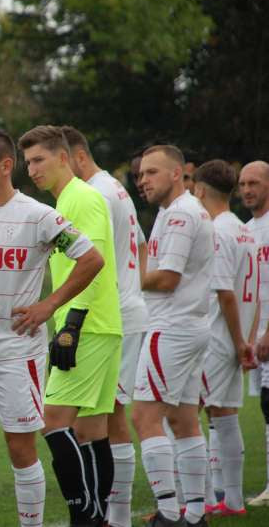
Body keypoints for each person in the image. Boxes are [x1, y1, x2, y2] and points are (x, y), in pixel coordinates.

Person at [0, 130, 103, 527]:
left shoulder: (39, 215)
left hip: (16, 353)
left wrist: (49, 304)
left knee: (20, 447)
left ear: (5, 166)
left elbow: (91, 259)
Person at [17, 125, 122, 527]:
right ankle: (98, 518)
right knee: (92, 430)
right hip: (101, 325)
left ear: (64, 157)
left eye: (39, 160)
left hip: (88, 326)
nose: (32, 170)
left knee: (53, 421)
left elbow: (91, 262)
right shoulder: (69, 199)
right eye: (28, 163)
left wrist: (69, 324)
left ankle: (85, 516)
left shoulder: (81, 198)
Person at [65, 126, 148, 527]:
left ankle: (114, 516)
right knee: (107, 415)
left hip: (109, 316)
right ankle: (114, 516)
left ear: (76, 155)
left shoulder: (92, 193)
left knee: (104, 418)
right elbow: (143, 246)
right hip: (125, 309)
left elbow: (91, 260)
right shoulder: (117, 189)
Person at [132, 144, 215, 527]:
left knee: (145, 417)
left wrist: (124, 278)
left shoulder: (181, 214)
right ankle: (195, 514)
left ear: (177, 173)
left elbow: (166, 279)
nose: (142, 180)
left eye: (151, 172)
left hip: (171, 328)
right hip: (190, 326)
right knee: (184, 421)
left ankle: (167, 513)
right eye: (140, 174)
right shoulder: (172, 212)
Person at [193, 159, 257, 517]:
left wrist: (236, 341)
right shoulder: (244, 230)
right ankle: (232, 501)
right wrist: (246, 340)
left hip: (218, 338)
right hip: (235, 338)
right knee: (226, 416)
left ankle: (199, 499)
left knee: (185, 414)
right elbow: (257, 295)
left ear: (200, 189)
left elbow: (225, 292)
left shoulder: (216, 231)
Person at [241, 160, 269, 506]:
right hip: (258, 336)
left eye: (255, 183)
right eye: (243, 184)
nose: (247, 189)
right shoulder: (247, 229)